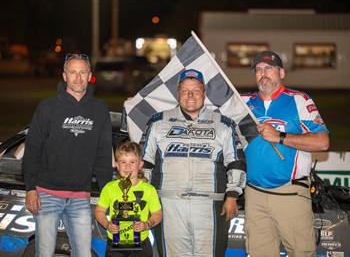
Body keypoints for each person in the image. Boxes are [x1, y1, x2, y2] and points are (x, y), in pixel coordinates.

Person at [141, 69, 246, 257]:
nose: (190, 96)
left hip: (210, 206)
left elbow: (236, 162)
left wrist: (232, 196)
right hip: (168, 203)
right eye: (185, 91)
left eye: (196, 91)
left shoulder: (223, 124)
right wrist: (144, 199)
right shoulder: (158, 122)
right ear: (178, 93)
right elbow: (144, 164)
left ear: (204, 94)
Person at [22, 53, 113, 257]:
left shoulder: (99, 109)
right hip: (47, 194)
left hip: (80, 196)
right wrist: (30, 189)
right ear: (64, 76)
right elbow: (33, 149)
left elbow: (103, 155)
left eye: (82, 72)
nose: (78, 77)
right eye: (73, 72)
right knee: (44, 253)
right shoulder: (47, 107)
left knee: (83, 254)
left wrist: (109, 193)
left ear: (90, 76)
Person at [243, 51, 330, 257]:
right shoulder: (243, 102)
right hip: (254, 195)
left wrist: (280, 137)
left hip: (289, 193)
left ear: (281, 73)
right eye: (258, 69)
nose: (263, 73)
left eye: (268, 68)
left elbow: (322, 142)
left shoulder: (299, 100)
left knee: (301, 253)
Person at [95, 141, 162, 257]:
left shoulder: (149, 190)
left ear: (140, 164)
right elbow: (99, 211)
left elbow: (157, 214)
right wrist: (107, 224)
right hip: (115, 245)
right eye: (123, 162)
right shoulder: (109, 188)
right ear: (117, 164)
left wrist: (146, 224)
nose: (127, 167)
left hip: (141, 244)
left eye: (132, 162)